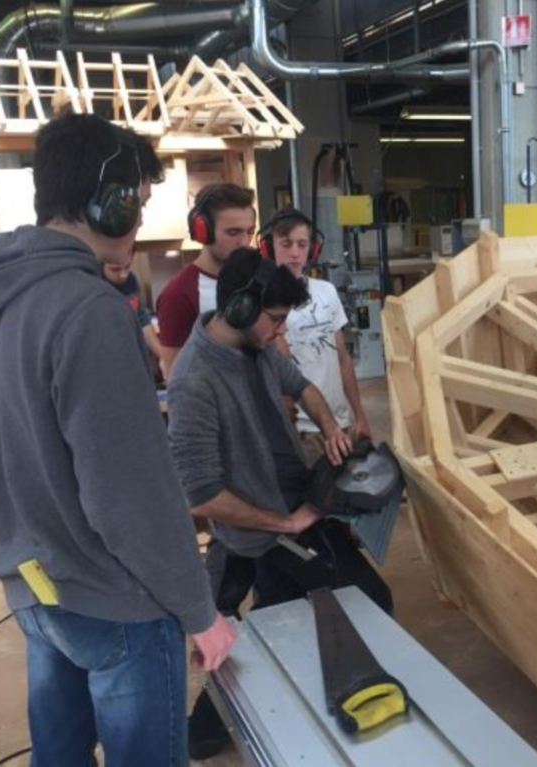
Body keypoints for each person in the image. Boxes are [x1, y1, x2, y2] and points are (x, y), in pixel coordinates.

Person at [0, 113, 236, 767]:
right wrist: (199, 610)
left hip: (36, 587)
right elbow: (128, 495)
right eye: (133, 203)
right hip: (116, 605)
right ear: (103, 202)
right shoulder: (89, 311)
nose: (136, 221)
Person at [167, 247, 392, 758]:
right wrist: (285, 524)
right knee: (361, 604)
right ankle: (211, 729)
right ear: (240, 309)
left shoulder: (259, 347)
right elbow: (201, 495)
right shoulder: (193, 382)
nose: (280, 331)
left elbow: (303, 386)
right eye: (274, 320)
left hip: (292, 508)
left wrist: (332, 427)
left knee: (279, 617)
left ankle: (204, 731)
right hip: (263, 530)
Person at [261, 208, 372, 463]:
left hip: (339, 422)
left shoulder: (327, 292)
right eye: (286, 244)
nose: (295, 253)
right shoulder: (264, 302)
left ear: (312, 249)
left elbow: (342, 358)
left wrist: (360, 415)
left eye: (302, 244)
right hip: (299, 430)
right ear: (269, 247)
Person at [155, 183, 257, 378]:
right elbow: (176, 377)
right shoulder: (178, 295)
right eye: (233, 232)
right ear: (203, 231)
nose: (244, 242)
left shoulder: (256, 278)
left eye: (250, 231)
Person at [102, 249, 164, 375]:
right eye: (115, 269)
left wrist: (163, 355)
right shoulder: (95, 287)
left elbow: (142, 319)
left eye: (127, 267)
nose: (123, 274)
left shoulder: (131, 281)